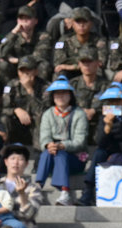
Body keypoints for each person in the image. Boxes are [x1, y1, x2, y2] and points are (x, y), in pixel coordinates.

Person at [35, 77, 88, 206]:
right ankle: (37, 188)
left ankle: (65, 193)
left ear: (70, 95)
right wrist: (49, 145)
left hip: (75, 158)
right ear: (53, 96)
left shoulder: (79, 114)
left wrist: (62, 146)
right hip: (53, 155)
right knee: (47, 153)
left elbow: (80, 141)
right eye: (57, 93)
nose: (60, 96)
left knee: (60, 153)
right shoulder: (48, 114)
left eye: (64, 93)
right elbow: (44, 136)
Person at [1, 53, 48, 149]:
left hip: (37, 127)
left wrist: (30, 90)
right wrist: (16, 110)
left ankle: (38, 153)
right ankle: (5, 152)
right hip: (19, 126)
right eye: (22, 71)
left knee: (40, 118)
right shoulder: (12, 85)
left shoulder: (45, 86)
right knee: (4, 119)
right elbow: (3, 109)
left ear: (36, 72)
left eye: (28, 70)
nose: (24, 74)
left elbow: (44, 112)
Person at [0, 5, 51, 85]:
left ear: (35, 21)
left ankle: (39, 91)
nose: (24, 21)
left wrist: (18, 60)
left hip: (34, 70)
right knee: (3, 64)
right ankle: (10, 89)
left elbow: (41, 57)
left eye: (28, 18)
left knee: (44, 65)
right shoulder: (13, 36)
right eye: (21, 19)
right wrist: (14, 32)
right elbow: (0, 53)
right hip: (16, 70)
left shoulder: (43, 36)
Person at [52, 6, 108, 81]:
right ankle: (61, 92)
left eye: (85, 21)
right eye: (78, 22)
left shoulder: (99, 40)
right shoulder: (64, 40)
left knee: (98, 71)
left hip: (90, 71)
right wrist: (89, 61)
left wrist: (71, 65)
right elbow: (58, 63)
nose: (81, 25)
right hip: (71, 73)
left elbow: (100, 63)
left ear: (91, 24)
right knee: (59, 74)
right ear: (72, 24)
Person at [71, 43, 108, 143]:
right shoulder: (72, 84)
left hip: (100, 126)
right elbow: (63, 106)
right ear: (79, 64)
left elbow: (118, 109)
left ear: (98, 63)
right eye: (83, 62)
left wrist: (95, 111)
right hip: (76, 125)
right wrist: (80, 111)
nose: (86, 65)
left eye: (90, 61)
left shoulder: (108, 85)